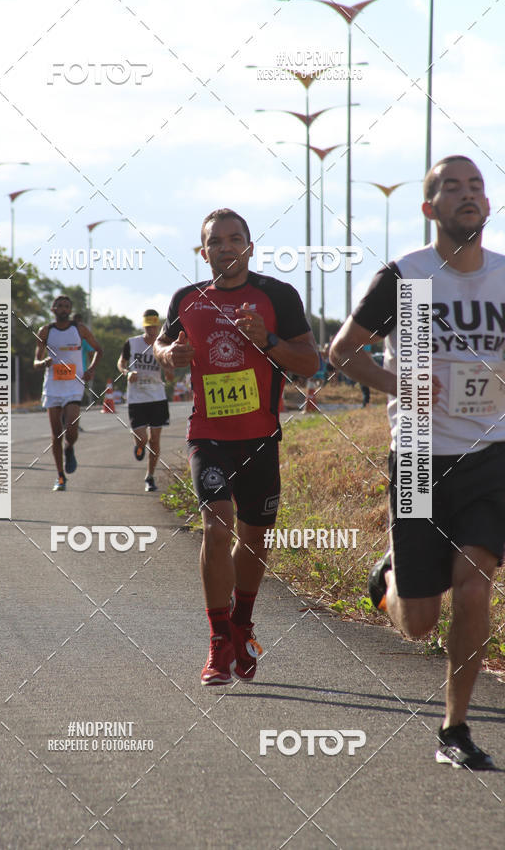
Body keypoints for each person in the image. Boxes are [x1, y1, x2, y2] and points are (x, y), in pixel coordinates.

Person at [330, 156, 505, 770]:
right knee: (419, 625)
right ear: (430, 209)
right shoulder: (406, 277)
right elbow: (342, 352)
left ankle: (455, 729)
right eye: (450, 188)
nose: (467, 195)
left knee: (476, 584)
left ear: (487, 206)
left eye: (476, 187)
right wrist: (399, 379)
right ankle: (392, 580)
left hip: (490, 454)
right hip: (418, 456)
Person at [154, 208, 319, 686]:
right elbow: (162, 351)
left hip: (260, 437)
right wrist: (171, 355)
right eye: (216, 241)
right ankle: (218, 638)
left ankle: (242, 621)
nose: (226, 247)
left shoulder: (277, 296)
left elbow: (308, 362)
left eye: (235, 239)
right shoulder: (187, 299)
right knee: (217, 523)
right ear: (202, 251)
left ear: (249, 246)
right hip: (208, 436)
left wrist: (266, 341)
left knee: (254, 536)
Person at [35, 296, 102, 491]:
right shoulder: (45, 331)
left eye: (67, 306)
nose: (63, 309)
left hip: (74, 385)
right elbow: (35, 361)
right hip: (53, 387)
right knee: (56, 434)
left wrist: (90, 370)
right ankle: (60, 477)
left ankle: (70, 447)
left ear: (70, 310)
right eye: (60, 306)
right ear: (53, 309)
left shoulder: (79, 329)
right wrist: (43, 363)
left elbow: (99, 350)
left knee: (71, 428)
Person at [117, 310, 173, 492]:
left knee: (155, 440)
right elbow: (121, 363)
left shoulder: (163, 345)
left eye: (154, 327)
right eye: (148, 327)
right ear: (144, 327)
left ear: (158, 327)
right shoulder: (132, 343)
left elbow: (170, 376)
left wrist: (168, 370)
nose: (151, 331)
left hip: (157, 397)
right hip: (136, 397)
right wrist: (127, 373)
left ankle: (150, 476)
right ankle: (139, 445)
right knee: (143, 438)